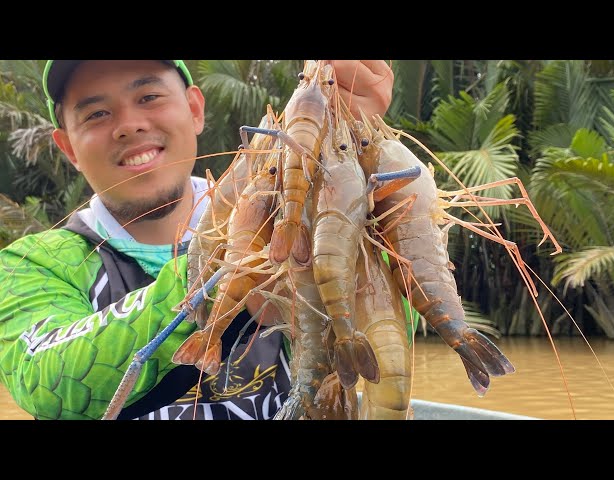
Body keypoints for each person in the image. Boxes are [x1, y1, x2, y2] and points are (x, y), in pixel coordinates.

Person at [0, 59, 394, 420]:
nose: (129, 124)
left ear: (194, 109)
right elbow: (48, 379)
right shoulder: (31, 264)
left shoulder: (290, 211)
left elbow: (386, 326)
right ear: (68, 146)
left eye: (149, 96)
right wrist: (231, 265)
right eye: (97, 113)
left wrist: (358, 173)